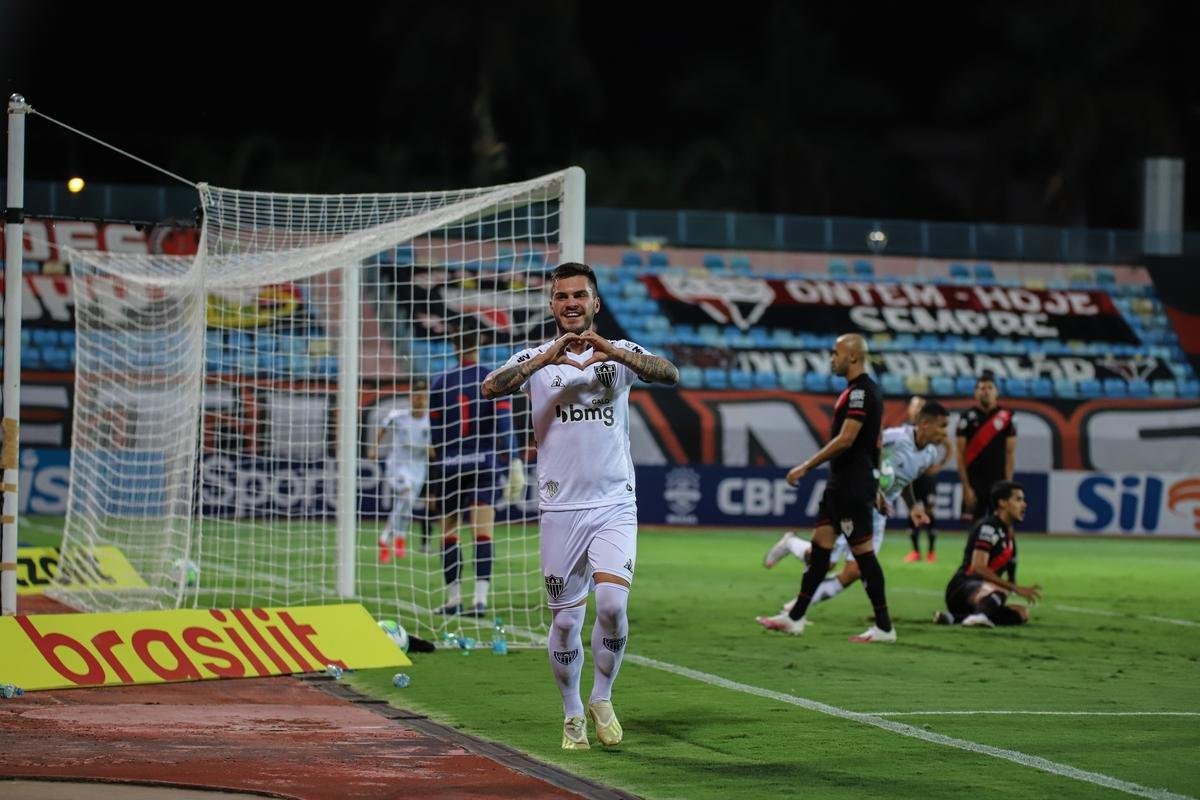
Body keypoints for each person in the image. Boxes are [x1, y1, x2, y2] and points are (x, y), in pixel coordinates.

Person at [482, 262, 679, 750]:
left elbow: (669, 374)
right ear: (552, 306)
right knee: (566, 620)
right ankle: (572, 713)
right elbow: (491, 387)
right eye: (562, 296)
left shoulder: (622, 357)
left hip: (614, 504)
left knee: (612, 605)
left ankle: (602, 696)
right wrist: (546, 358)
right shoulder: (534, 359)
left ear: (596, 303)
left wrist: (610, 349)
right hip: (560, 510)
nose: (571, 303)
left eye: (580, 295)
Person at [756, 333, 894, 643]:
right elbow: (873, 445)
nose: (832, 358)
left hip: (851, 487)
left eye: (836, 353)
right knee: (820, 551)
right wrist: (877, 487)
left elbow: (847, 440)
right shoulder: (858, 391)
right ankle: (795, 617)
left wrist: (805, 466)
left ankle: (884, 626)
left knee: (864, 556)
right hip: (843, 485)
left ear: (853, 357)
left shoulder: (861, 393)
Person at [763, 401, 951, 611]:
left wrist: (913, 506)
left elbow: (904, 480)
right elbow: (861, 448)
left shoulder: (930, 454)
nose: (945, 432)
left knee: (854, 571)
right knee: (823, 563)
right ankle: (791, 544)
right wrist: (869, 481)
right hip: (858, 503)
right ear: (924, 424)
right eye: (942, 426)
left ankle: (797, 607)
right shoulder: (895, 437)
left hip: (878, 515)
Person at [429, 326, 524, 617]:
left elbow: (435, 434)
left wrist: (441, 464)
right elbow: (504, 423)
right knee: (483, 533)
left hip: (449, 467)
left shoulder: (440, 382)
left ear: (454, 347)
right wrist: (515, 461)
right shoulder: (492, 378)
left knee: (449, 533)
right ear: (479, 347)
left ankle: (453, 599)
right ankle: (480, 601)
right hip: (484, 464)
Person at [934, 480, 1042, 626]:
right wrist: (1013, 588)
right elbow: (978, 568)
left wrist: (1012, 586)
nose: (1024, 504)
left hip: (985, 592)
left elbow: (1011, 577)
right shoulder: (989, 527)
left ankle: (955, 618)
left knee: (1022, 613)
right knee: (1001, 590)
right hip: (962, 587)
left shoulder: (1009, 535)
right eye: (1018, 499)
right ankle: (978, 617)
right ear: (1002, 503)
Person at [955, 371, 1018, 580]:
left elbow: (1010, 454)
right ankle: (971, 571)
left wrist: (1009, 487)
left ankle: (1010, 575)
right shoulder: (966, 419)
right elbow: (960, 454)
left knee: (1007, 529)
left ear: (996, 392)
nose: (986, 391)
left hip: (999, 485)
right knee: (975, 530)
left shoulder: (1007, 419)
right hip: (975, 485)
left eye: (989, 387)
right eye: (981, 387)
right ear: (975, 393)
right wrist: (965, 486)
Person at [369, 380, 431, 563]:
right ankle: (385, 538)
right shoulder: (398, 416)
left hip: (419, 467)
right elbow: (383, 429)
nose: (419, 401)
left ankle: (399, 538)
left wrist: (432, 450)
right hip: (398, 465)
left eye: (423, 398)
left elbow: (434, 447)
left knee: (407, 504)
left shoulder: (430, 421)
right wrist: (374, 448)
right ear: (411, 398)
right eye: (416, 397)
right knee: (406, 495)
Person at [903, 395, 953, 563]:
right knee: (913, 511)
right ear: (909, 410)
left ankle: (932, 552)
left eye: (920, 406)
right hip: (911, 479)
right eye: (914, 406)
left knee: (930, 511)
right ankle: (915, 552)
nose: (917, 409)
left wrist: (939, 465)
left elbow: (949, 446)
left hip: (927, 478)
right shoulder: (904, 432)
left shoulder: (933, 429)